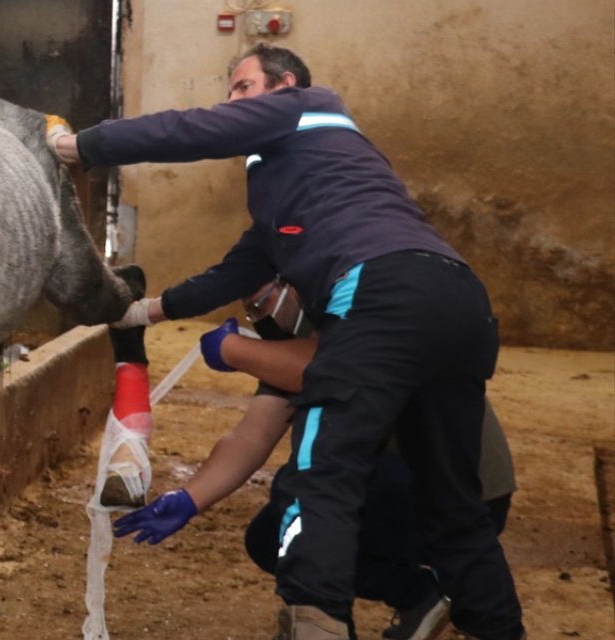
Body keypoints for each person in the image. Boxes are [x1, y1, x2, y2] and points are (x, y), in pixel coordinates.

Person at [49, 43, 524, 639]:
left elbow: (192, 130)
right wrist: (140, 312)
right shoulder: (293, 194)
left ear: (286, 83)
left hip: (382, 291)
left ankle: (315, 623)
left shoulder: (309, 106)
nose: (232, 100)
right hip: (458, 302)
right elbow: (234, 273)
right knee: (453, 504)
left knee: (322, 475)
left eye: (243, 87)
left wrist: (79, 148)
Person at [121, 278, 516, 640]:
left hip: (463, 500)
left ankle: (325, 622)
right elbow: (249, 436)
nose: (260, 316)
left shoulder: (352, 324)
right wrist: (190, 498)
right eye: (251, 309)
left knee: (308, 490)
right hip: (412, 493)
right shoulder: (295, 349)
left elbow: (328, 370)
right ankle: (419, 594)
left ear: (296, 288)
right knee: (267, 536)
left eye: (265, 300)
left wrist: (235, 350)